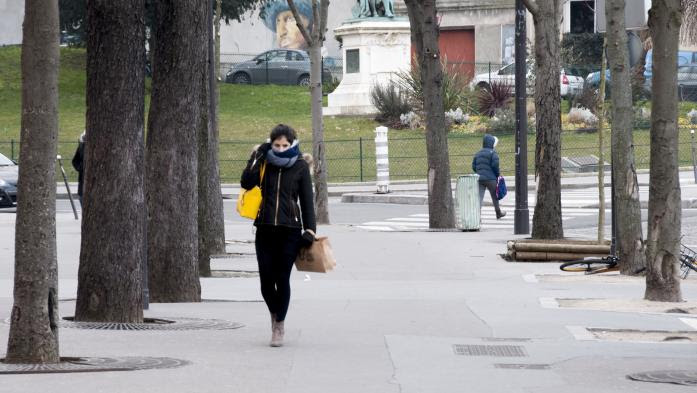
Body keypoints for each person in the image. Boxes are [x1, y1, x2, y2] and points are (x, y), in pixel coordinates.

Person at [241, 124, 316, 347]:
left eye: (285, 145)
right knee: (266, 280)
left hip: (290, 231)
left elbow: (307, 201)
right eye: (276, 145)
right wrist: (257, 156)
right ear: (271, 143)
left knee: (282, 278)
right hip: (264, 229)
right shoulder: (264, 161)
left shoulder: (301, 166)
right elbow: (247, 182)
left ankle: (279, 324)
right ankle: (275, 313)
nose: (281, 149)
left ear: (292, 144)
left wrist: (310, 230)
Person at [472, 133, 506, 219]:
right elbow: (495, 165)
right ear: (491, 143)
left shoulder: (478, 153)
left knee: (479, 197)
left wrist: (479, 172)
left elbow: (473, 166)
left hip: (479, 178)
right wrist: (497, 175)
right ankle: (498, 213)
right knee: (495, 197)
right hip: (491, 179)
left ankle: (476, 217)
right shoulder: (493, 153)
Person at [71, 131, 86, 206]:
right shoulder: (82, 145)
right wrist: (81, 167)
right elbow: (75, 160)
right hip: (83, 180)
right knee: (82, 199)